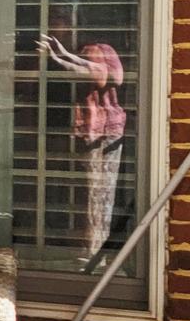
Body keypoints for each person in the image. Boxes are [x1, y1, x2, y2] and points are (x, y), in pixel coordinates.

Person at [37, 29, 125, 263]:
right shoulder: (81, 51)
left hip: (100, 133)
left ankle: (92, 255)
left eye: (62, 19)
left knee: (97, 194)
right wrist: (63, 54)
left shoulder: (98, 49)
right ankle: (84, 252)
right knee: (81, 194)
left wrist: (58, 59)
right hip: (84, 132)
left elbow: (100, 77)